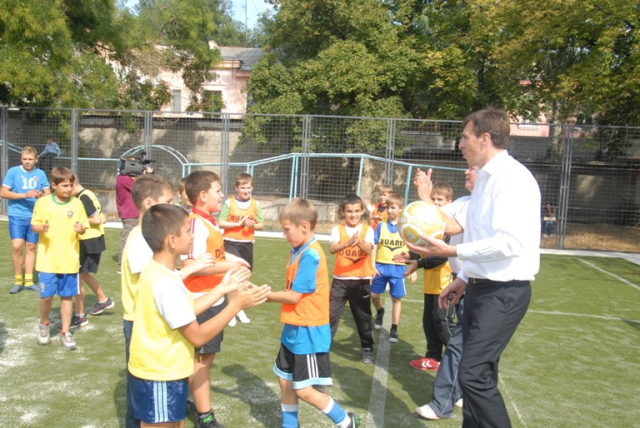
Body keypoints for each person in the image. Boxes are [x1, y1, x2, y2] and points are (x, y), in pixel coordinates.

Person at [406, 108, 541, 428]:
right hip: (480, 288)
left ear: (485, 138)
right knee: (474, 374)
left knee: (473, 374)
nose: (460, 144)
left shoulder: (514, 179)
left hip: (505, 292)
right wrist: (464, 278)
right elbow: (478, 233)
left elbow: (511, 244)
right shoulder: (483, 181)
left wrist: (452, 251)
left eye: (465, 137)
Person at [128, 203, 270, 428]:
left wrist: (223, 288)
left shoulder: (159, 271)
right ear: (172, 241)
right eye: (187, 231)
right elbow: (197, 336)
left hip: (164, 371)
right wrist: (234, 306)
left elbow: (183, 311)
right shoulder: (166, 281)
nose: (192, 234)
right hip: (160, 374)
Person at [266, 198, 359, 428]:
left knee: (304, 389)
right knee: (284, 380)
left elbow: (294, 297)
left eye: (286, 229)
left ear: (304, 227)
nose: (283, 234)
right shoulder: (298, 248)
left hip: (309, 331)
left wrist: (263, 295)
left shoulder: (310, 255)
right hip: (293, 327)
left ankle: (346, 421)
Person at [181, 170, 251, 428]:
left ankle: (193, 400)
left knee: (204, 358)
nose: (222, 196)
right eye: (218, 191)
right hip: (202, 299)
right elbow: (190, 263)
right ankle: (204, 416)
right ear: (202, 196)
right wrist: (228, 269)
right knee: (202, 359)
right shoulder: (196, 224)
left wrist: (234, 261)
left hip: (213, 296)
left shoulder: (207, 221)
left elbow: (213, 256)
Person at [413, 166, 477, 421]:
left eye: (472, 169)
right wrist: (423, 198)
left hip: (481, 284)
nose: (466, 171)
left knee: (460, 344)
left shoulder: (481, 205)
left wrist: (426, 197)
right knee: (464, 344)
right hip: (464, 279)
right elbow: (432, 221)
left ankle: (449, 398)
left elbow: (447, 227)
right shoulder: (464, 201)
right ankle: (456, 394)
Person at [121, 174, 178, 428]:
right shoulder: (139, 240)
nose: (173, 206)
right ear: (148, 203)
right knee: (142, 393)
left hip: (148, 322)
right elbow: (153, 281)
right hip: (139, 323)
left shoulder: (147, 238)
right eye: (167, 201)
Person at [397, 182, 455, 372]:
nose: (437, 204)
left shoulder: (448, 229)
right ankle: (433, 357)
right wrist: (411, 256)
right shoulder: (431, 225)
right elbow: (425, 249)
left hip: (446, 284)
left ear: (450, 202)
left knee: (442, 322)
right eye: (434, 199)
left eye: (441, 200)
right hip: (431, 284)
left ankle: (457, 359)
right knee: (429, 321)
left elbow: (440, 256)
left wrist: (418, 264)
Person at [31, 167, 89, 350]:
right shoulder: (43, 203)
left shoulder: (77, 204)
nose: (69, 189)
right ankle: (44, 324)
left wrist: (81, 229)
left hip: (69, 260)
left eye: (71, 185)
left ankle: (65, 332)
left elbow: (83, 226)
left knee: (66, 297)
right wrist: (41, 229)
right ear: (53, 185)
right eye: (65, 185)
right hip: (47, 260)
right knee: (46, 296)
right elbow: (35, 226)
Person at [328, 194, 375, 364]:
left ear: (361, 211)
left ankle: (367, 348)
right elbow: (333, 249)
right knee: (330, 315)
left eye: (356, 211)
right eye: (349, 211)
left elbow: (369, 250)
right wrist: (347, 243)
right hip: (340, 281)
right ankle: (324, 345)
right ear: (343, 212)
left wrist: (358, 243)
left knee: (363, 317)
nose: (353, 215)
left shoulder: (367, 230)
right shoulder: (337, 229)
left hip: (360, 281)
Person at [1, 146, 50, 294]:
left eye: (30, 159)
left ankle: (28, 281)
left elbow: (48, 194)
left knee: (30, 247)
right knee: (17, 246)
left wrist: (40, 196)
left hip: (34, 216)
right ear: (21, 159)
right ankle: (18, 280)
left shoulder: (40, 174)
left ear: (36, 160)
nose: (27, 162)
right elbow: (4, 193)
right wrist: (25, 195)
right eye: (24, 159)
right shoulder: (13, 172)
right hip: (17, 215)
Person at [218, 172, 265, 325]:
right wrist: (237, 225)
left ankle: (238, 307)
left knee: (245, 276)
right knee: (233, 274)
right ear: (237, 188)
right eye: (243, 188)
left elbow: (261, 225)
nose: (246, 191)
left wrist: (253, 225)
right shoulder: (229, 203)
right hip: (230, 242)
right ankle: (232, 310)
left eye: (249, 188)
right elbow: (221, 222)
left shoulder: (256, 204)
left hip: (247, 244)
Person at [70, 174, 114, 330]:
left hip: (88, 241)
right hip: (93, 240)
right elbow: (103, 217)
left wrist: (74, 219)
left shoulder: (82, 197)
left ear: (72, 186)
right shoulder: (88, 193)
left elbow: (97, 219)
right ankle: (103, 300)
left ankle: (79, 315)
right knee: (82, 274)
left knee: (76, 275)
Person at [370, 193, 408, 343]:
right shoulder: (381, 225)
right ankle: (380, 311)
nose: (390, 210)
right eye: (388, 207)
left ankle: (394, 329)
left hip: (398, 268)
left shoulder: (405, 227)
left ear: (400, 209)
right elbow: (374, 244)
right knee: (374, 295)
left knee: (396, 299)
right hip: (380, 266)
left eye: (393, 207)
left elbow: (411, 247)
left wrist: (411, 266)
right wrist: (372, 265)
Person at [116, 162, 141, 273]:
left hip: (132, 213)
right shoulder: (124, 179)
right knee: (127, 239)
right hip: (130, 214)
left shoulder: (123, 178)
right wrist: (145, 177)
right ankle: (122, 266)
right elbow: (140, 189)